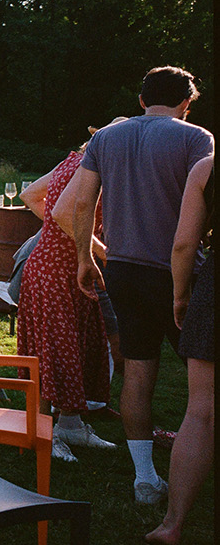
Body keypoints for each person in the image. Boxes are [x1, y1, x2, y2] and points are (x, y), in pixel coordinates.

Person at [62, 66, 215, 505]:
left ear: (142, 100)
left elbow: (82, 202)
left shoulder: (106, 138)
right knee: (202, 380)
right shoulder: (196, 138)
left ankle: (145, 478)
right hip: (179, 271)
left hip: (123, 269)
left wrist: (84, 256)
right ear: (186, 102)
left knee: (138, 371)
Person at [17, 142, 114, 456]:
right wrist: (103, 253)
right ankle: (45, 435)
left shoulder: (74, 160)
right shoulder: (95, 166)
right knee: (52, 350)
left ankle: (70, 426)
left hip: (60, 267)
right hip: (54, 271)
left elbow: (30, 195)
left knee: (75, 345)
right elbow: (63, 216)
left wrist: (59, 235)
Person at [145, 155, 213, 545]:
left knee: (201, 412)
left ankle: (172, 526)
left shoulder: (208, 169)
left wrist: (181, 294)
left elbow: (185, 243)